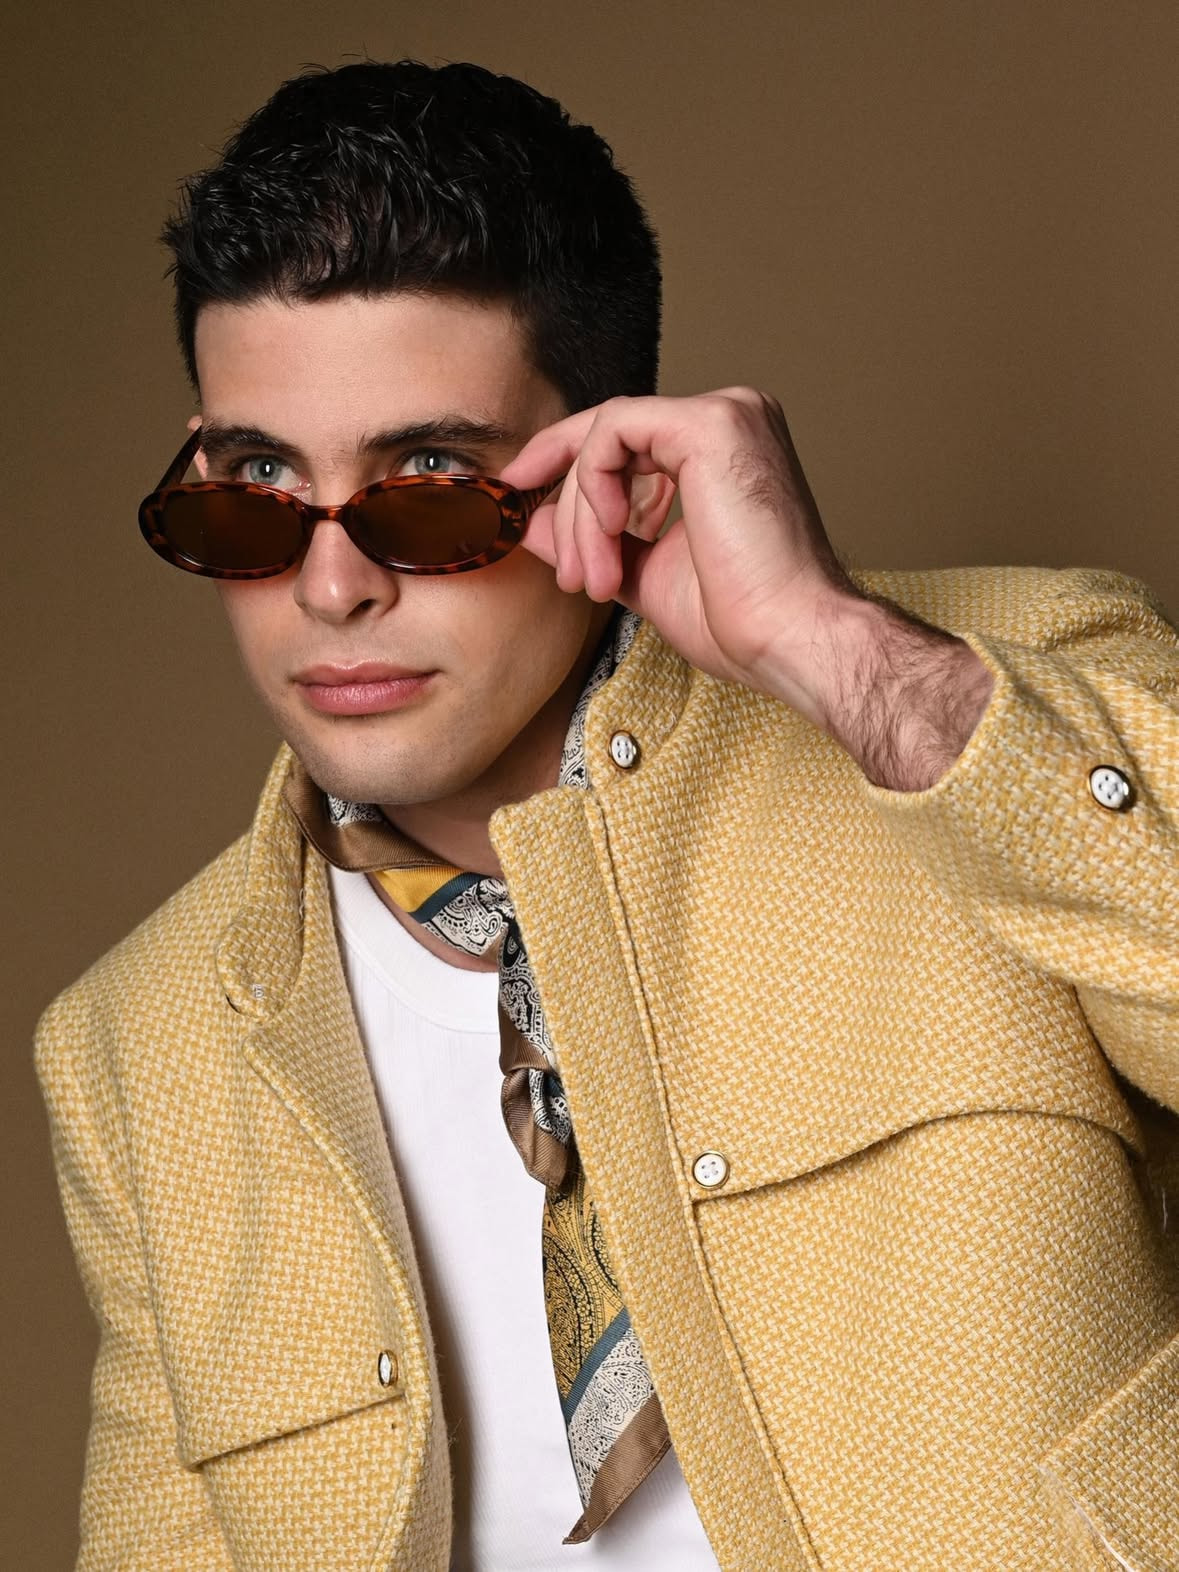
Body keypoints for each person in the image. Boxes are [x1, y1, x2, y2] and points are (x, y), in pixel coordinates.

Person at [35, 57, 1179, 1572]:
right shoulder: (138, 1049)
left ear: (610, 465)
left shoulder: (989, 711)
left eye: (428, 482)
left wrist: (841, 658)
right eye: (257, 486)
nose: (332, 586)